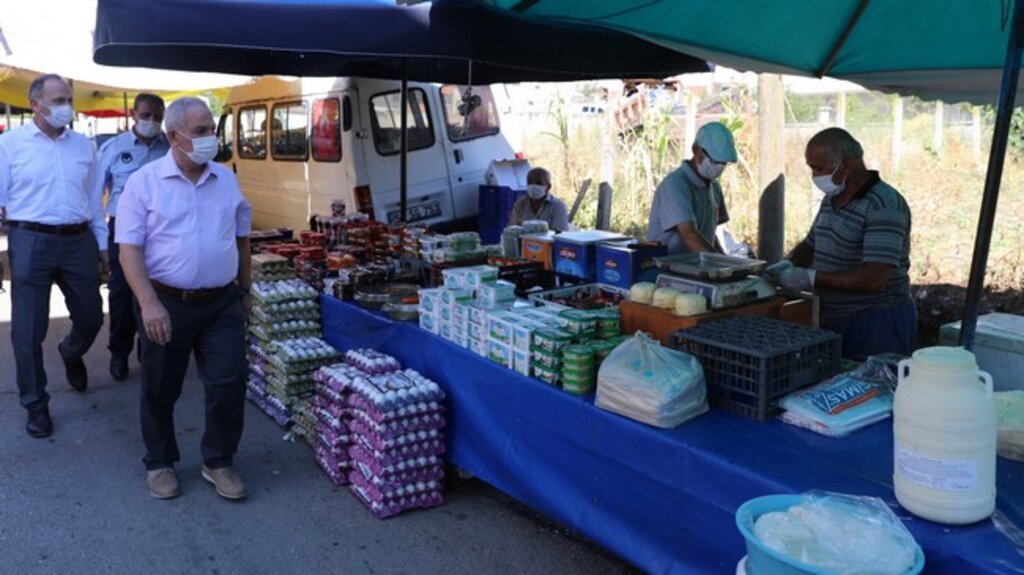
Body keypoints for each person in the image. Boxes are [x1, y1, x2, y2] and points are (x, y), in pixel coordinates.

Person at [116, 97, 253, 500]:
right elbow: (129, 249)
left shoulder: (225, 179)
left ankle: (218, 461)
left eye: (212, 129)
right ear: (174, 137)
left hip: (221, 303)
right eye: (201, 131)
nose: (211, 138)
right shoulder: (144, 183)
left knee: (229, 381)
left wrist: (245, 289)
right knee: (160, 387)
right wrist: (148, 303)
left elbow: (241, 238)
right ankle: (160, 462)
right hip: (166, 302)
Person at [0, 74, 107, 438]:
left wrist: (102, 243)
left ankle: (71, 350)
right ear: (36, 105)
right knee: (28, 331)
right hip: (30, 240)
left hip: (78, 241)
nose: (67, 107)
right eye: (59, 100)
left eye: (68, 99)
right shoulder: (10, 145)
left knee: (92, 316)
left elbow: (94, 201)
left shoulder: (84, 146)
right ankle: (36, 404)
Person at [765, 127, 916, 360]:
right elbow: (811, 244)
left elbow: (875, 278)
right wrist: (788, 263)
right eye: (811, 167)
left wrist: (812, 278)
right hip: (834, 316)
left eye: (818, 168)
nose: (814, 176)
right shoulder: (832, 198)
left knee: (871, 388)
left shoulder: (883, 206)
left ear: (845, 165)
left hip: (876, 320)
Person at [96, 93, 169, 382]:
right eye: (146, 115)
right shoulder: (115, 148)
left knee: (159, 289)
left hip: (161, 230)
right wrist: (99, 240)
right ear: (133, 114)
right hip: (123, 230)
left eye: (157, 117)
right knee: (123, 294)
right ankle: (119, 352)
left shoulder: (170, 147)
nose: (151, 121)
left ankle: (149, 349)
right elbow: (95, 195)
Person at [647, 122, 738, 254]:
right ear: (696, 150)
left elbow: (710, 237)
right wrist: (718, 262)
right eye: (714, 161)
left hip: (696, 267)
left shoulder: (714, 187)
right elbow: (689, 236)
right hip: (667, 268)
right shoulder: (675, 185)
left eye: (723, 163)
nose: (719, 166)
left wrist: (726, 262)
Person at [508, 167, 570, 231]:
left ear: (548, 187)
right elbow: (512, 230)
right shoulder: (520, 205)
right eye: (530, 182)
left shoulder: (558, 206)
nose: (533, 186)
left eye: (539, 183)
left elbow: (560, 234)